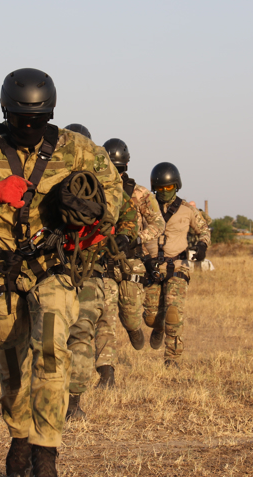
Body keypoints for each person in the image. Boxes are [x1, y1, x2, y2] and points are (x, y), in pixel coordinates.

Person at [0, 69, 123, 477]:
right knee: (11, 363)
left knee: (52, 353)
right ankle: (19, 437)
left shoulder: (76, 148)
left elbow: (113, 191)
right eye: (22, 121)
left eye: (39, 121)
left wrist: (92, 215)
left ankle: (46, 453)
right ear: (6, 113)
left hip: (53, 269)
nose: (30, 127)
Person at [64, 126, 139, 421]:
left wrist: (123, 237)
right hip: (48, 268)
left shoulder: (105, 184)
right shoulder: (44, 179)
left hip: (91, 267)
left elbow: (128, 216)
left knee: (85, 330)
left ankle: (74, 401)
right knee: (46, 336)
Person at [142, 162, 210, 368]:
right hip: (151, 268)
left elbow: (204, 230)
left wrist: (202, 245)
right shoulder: (145, 209)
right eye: (161, 188)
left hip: (178, 267)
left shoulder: (187, 210)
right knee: (150, 318)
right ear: (154, 187)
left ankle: (172, 358)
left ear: (177, 186)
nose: (164, 192)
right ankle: (158, 327)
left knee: (173, 312)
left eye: (169, 188)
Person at [101, 138, 165, 356]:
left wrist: (137, 238)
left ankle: (133, 329)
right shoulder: (94, 191)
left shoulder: (140, 194)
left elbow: (158, 223)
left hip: (131, 261)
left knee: (130, 316)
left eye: (118, 169)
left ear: (126, 167)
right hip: (103, 260)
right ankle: (106, 366)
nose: (115, 173)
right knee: (104, 316)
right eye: (110, 168)